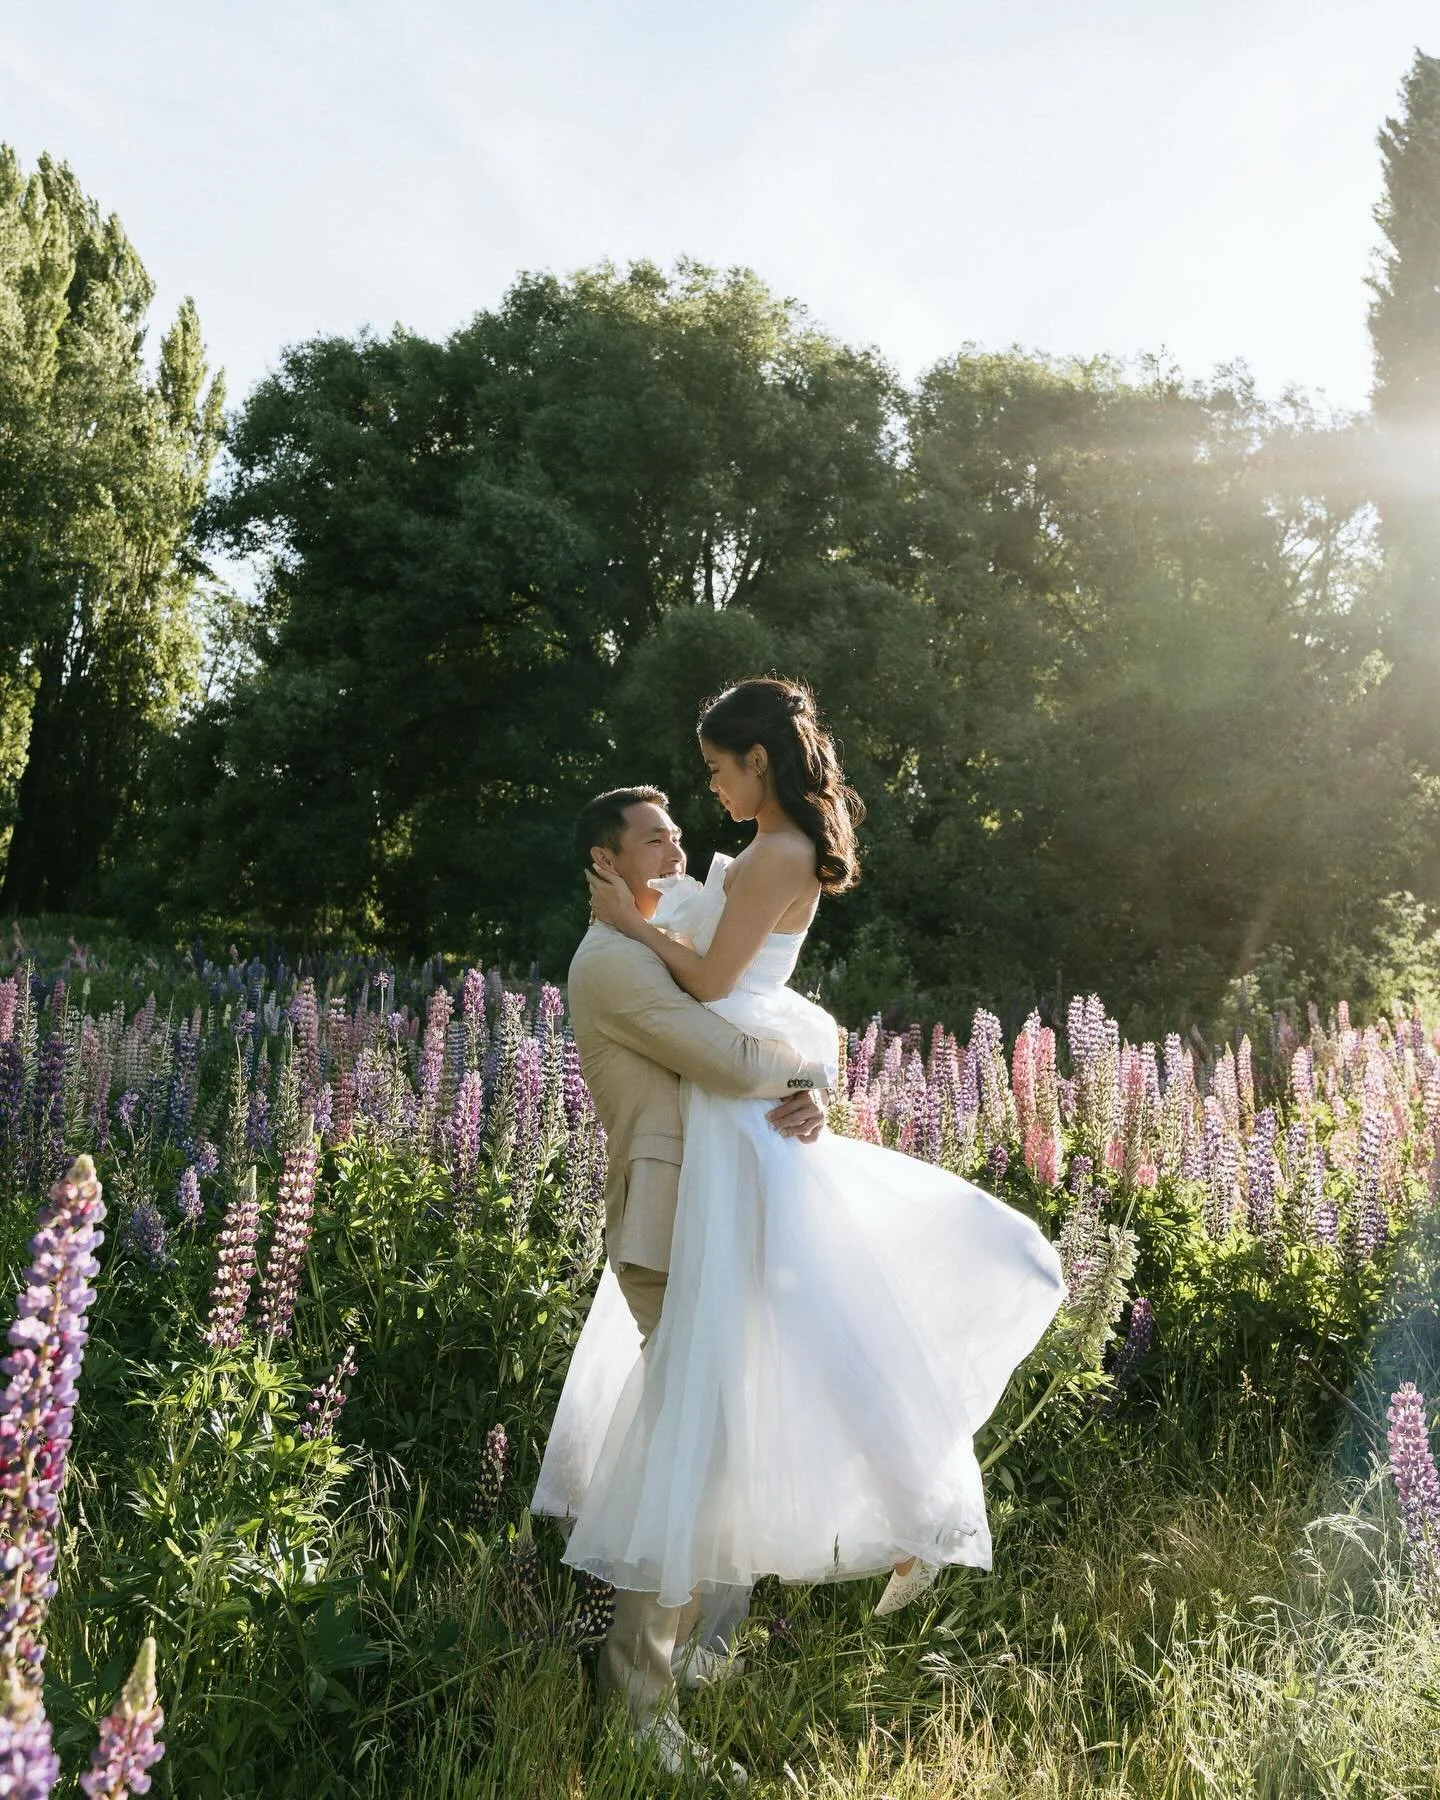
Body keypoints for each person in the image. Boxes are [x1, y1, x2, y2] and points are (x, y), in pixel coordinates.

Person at [530, 783, 832, 1782]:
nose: (677, 852)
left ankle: (681, 1665)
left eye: (675, 836)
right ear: (604, 861)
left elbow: (751, 1026)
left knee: (718, 1447)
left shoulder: (655, 945)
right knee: (690, 1459)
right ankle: (638, 1707)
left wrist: (806, 1089)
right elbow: (731, 1055)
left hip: (717, 1211)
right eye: (653, 841)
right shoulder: (613, 960)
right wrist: (809, 1073)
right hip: (668, 1226)